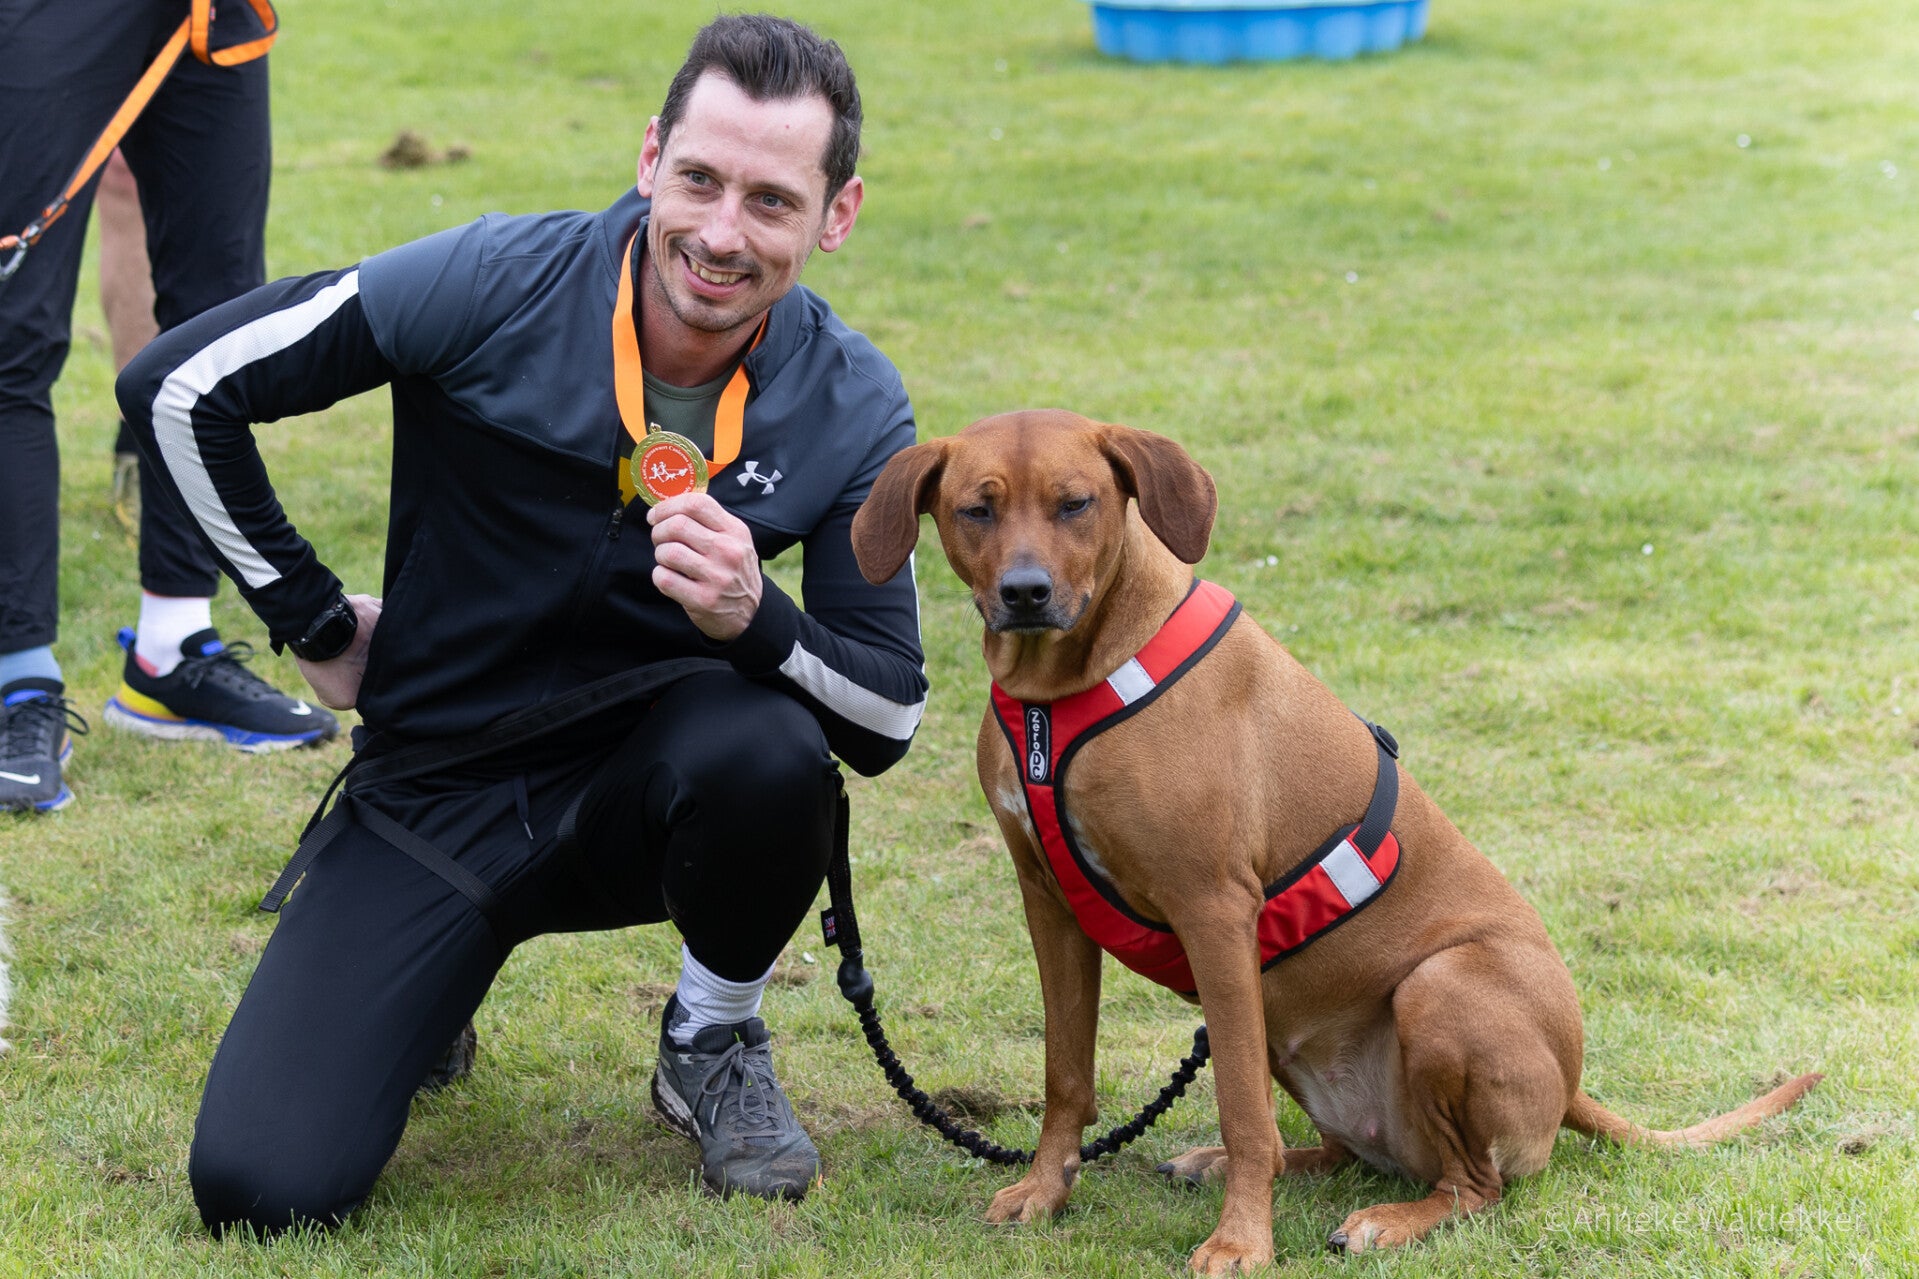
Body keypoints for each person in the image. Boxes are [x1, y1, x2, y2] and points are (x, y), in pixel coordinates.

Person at [117, 13, 926, 1234]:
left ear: (836, 214)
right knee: (260, 1188)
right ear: (649, 157)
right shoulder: (494, 279)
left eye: (771, 201)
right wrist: (312, 618)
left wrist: (758, 616)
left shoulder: (850, 399)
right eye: (699, 179)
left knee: (770, 749)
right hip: (434, 793)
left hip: (646, 796)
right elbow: (179, 388)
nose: (720, 233)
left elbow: (887, 713)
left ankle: (709, 1038)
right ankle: (429, 990)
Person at [0, 0, 338, 816]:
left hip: (210, 19)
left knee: (215, 330)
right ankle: (18, 682)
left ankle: (173, 648)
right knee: (13, 336)